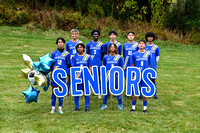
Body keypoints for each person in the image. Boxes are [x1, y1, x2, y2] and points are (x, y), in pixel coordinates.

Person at [130, 40, 152, 114]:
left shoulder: (148, 54)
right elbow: (132, 65)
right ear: (138, 45)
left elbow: (149, 65)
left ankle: (144, 109)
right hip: (137, 75)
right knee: (135, 92)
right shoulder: (134, 54)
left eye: (143, 43)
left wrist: (148, 74)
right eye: (140, 43)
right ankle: (133, 108)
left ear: (145, 45)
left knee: (145, 92)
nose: (141, 45)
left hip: (145, 75)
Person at [100, 43, 123, 110]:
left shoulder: (119, 57)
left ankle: (120, 104)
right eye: (111, 47)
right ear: (109, 48)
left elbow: (121, 67)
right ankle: (104, 104)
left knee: (118, 91)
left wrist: (119, 76)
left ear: (116, 48)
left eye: (114, 47)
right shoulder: (105, 57)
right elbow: (104, 66)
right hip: (107, 77)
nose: (112, 48)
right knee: (106, 91)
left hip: (116, 77)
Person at [50, 37, 70, 114]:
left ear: (64, 43)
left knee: (61, 91)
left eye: (62, 42)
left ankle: (60, 108)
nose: (60, 43)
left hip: (62, 75)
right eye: (59, 42)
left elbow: (68, 65)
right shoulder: (54, 53)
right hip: (55, 74)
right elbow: (51, 64)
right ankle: (53, 107)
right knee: (54, 91)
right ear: (57, 43)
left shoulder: (67, 54)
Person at [71, 43, 93, 113]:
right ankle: (77, 107)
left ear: (83, 48)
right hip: (77, 78)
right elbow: (73, 67)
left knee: (87, 93)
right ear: (76, 49)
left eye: (81, 47)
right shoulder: (74, 57)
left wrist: (89, 75)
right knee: (76, 93)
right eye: (78, 47)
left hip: (86, 77)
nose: (80, 48)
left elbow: (90, 67)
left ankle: (87, 107)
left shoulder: (88, 56)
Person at [86, 29, 105, 99]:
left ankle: (99, 92)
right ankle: (88, 91)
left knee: (99, 78)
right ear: (92, 35)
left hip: (99, 63)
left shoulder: (101, 44)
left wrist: (101, 62)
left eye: (97, 34)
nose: (96, 35)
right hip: (91, 64)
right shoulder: (89, 44)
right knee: (90, 77)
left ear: (99, 35)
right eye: (94, 34)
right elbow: (87, 54)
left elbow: (103, 55)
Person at [65, 29, 83, 97]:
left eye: (75, 34)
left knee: (78, 77)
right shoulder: (68, 43)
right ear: (71, 35)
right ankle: (67, 92)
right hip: (70, 62)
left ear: (78, 35)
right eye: (73, 34)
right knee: (69, 77)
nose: (74, 35)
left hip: (78, 62)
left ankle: (79, 91)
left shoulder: (80, 42)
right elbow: (66, 53)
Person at [123, 31, 139, 99]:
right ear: (127, 36)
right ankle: (127, 93)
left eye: (132, 35)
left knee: (134, 78)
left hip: (134, 64)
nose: (130, 36)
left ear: (134, 36)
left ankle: (134, 92)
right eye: (129, 35)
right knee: (127, 78)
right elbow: (124, 54)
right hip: (127, 64)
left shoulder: (137, 44)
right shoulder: (125, 45)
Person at [145, 32, 160, 99]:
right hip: (145, 66)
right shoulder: (144, 45)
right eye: (149, 37)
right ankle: (143, 93)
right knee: (144, 79)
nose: (150, 38)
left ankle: (154, 93)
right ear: (147, 38)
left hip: (152, 66)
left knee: (153, 80)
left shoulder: (156, 47)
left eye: (151, 37)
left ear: (153, 38)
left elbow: (157, 56)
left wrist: (154, 63)